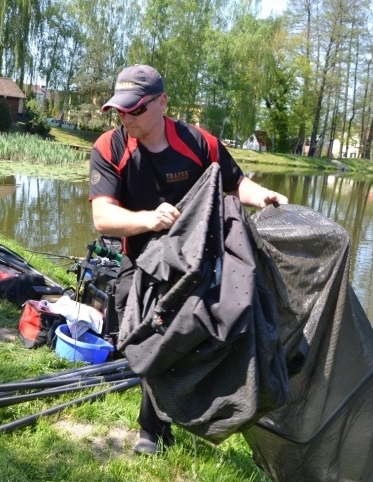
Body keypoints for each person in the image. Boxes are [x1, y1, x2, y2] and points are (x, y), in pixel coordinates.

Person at [89, 64, 288, 454]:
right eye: (120, 111)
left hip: (198, 262)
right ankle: (161, 420)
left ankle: (155, 428)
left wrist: (263, 195)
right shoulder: (109, 147)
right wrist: (149, 220)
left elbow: (235, 183)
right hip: (141, 257)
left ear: (162, 103)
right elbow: (103, 218)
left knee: (203, 332)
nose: (127, 118)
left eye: (136, 110)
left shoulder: (199, 143)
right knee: (143, 339)